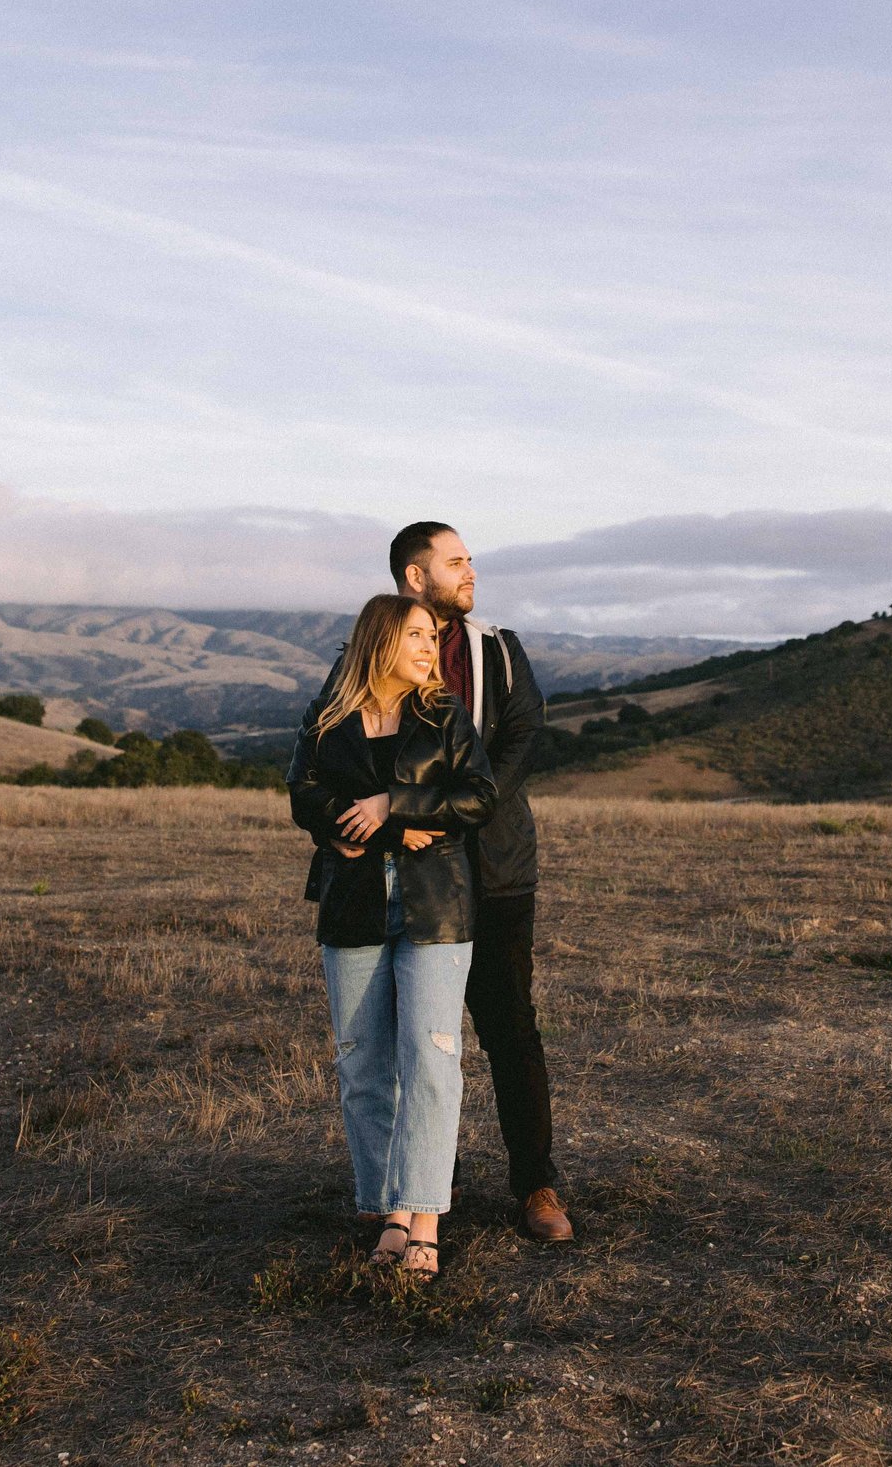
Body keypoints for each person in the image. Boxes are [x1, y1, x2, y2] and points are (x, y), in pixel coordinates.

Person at [287, 592, 499, 1278]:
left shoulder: (444, 716)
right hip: (352, 905)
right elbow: (302, 791)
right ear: (379, 640)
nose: (429, 648)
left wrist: (394, 802)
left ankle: (425, 1219)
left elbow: (478, 795)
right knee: (362, 1063)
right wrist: (376, 828)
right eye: (416, 635)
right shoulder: (332, 718)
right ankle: (388, 1213)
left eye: (433, 638)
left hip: (435, 907)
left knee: (431, 1060)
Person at [388, 522, 573, 1243]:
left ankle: (536, 1183)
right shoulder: (380, 649)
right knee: (416, 1038)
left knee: (511, 1029)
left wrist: (466, 805)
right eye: (456, 560)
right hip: (412, 873)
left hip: (496, 869)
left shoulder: (500, 648)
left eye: (470, 559)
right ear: (415, 576)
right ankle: (422, 1186)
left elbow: (526, 734)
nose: (472, 570)